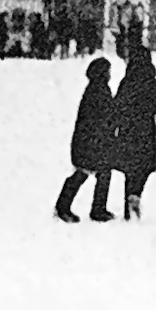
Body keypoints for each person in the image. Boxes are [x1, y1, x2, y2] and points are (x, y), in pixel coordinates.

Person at [112, 49, 156, 221]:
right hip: (146, 132)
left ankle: (128, 205)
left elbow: (117, 109)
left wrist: (112, 131)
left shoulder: (126, 83)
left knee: (129, 170)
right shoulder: (154, 85)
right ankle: (136, 195)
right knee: (143, 169)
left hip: (127, 132)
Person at [55, 58, 117, 223]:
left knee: (90, 173)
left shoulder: (94, 89)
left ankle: (68, 206)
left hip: (88, 140)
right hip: (92, 140)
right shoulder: (99, 91)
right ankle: (91, 209)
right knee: (93, 173)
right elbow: (104, 116)